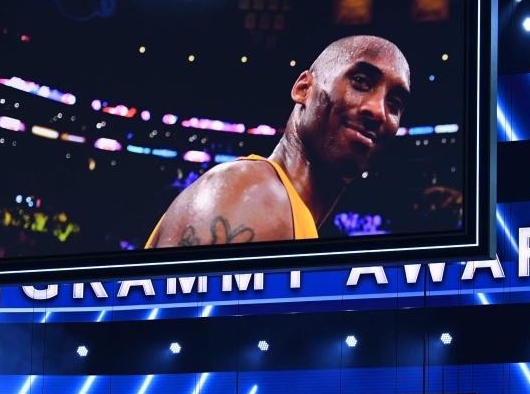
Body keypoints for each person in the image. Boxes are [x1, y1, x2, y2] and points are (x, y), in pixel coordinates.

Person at [145, 35, 410, 248]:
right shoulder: (255, 197)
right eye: (361, 82)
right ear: (303, 89)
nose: (379, 111)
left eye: (394, 103)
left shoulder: (288, 212)